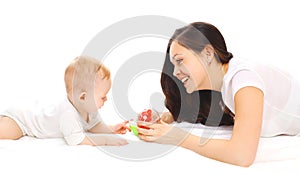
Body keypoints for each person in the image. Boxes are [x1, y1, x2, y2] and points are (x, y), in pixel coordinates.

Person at [137, 22, 300, 167]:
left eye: (179, 60)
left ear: (208, 54)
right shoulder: (224, 84)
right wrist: (168, 117)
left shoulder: (244, 79)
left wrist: (177, 137)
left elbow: (241, 155)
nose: (175, 72)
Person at [0, 56, 129, 146]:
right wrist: (106, 140)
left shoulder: (89, 109)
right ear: (83, 97)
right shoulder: (68, 114)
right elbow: (77, 140)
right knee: (6, 133)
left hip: (29, 113)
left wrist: (112, 129)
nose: (106, 99)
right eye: (102, 96)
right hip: (22, 122)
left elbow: (94, 126)